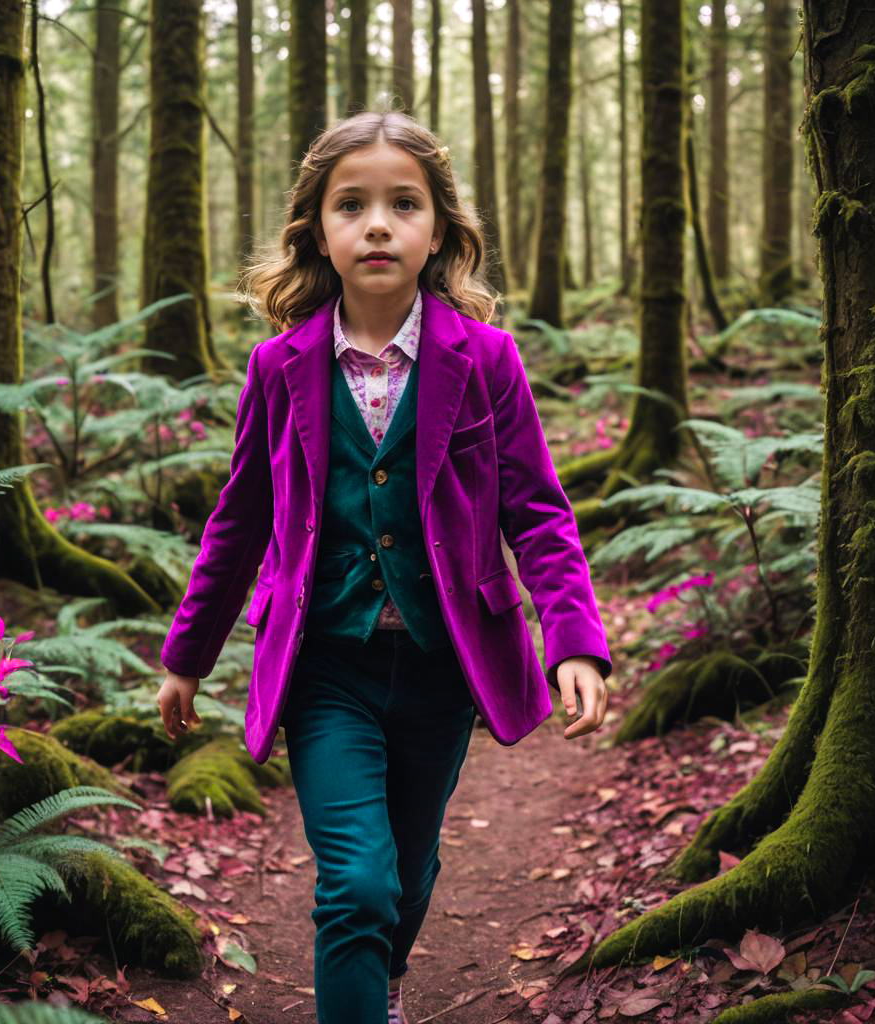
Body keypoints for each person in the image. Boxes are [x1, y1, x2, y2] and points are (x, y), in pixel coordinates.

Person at [156, 105, 613, 1024]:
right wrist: (186, 654)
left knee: (405, 873)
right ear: (317, 231)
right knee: (356, 884)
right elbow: (239, 520)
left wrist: (576, 641)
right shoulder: (278, 367)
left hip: (446, 663)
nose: (375, 223)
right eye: (350, 204)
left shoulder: (486, 359)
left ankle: (389, 974)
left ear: (437, 228)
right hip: (327, 664)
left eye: (402, 203)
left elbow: (538, 510)